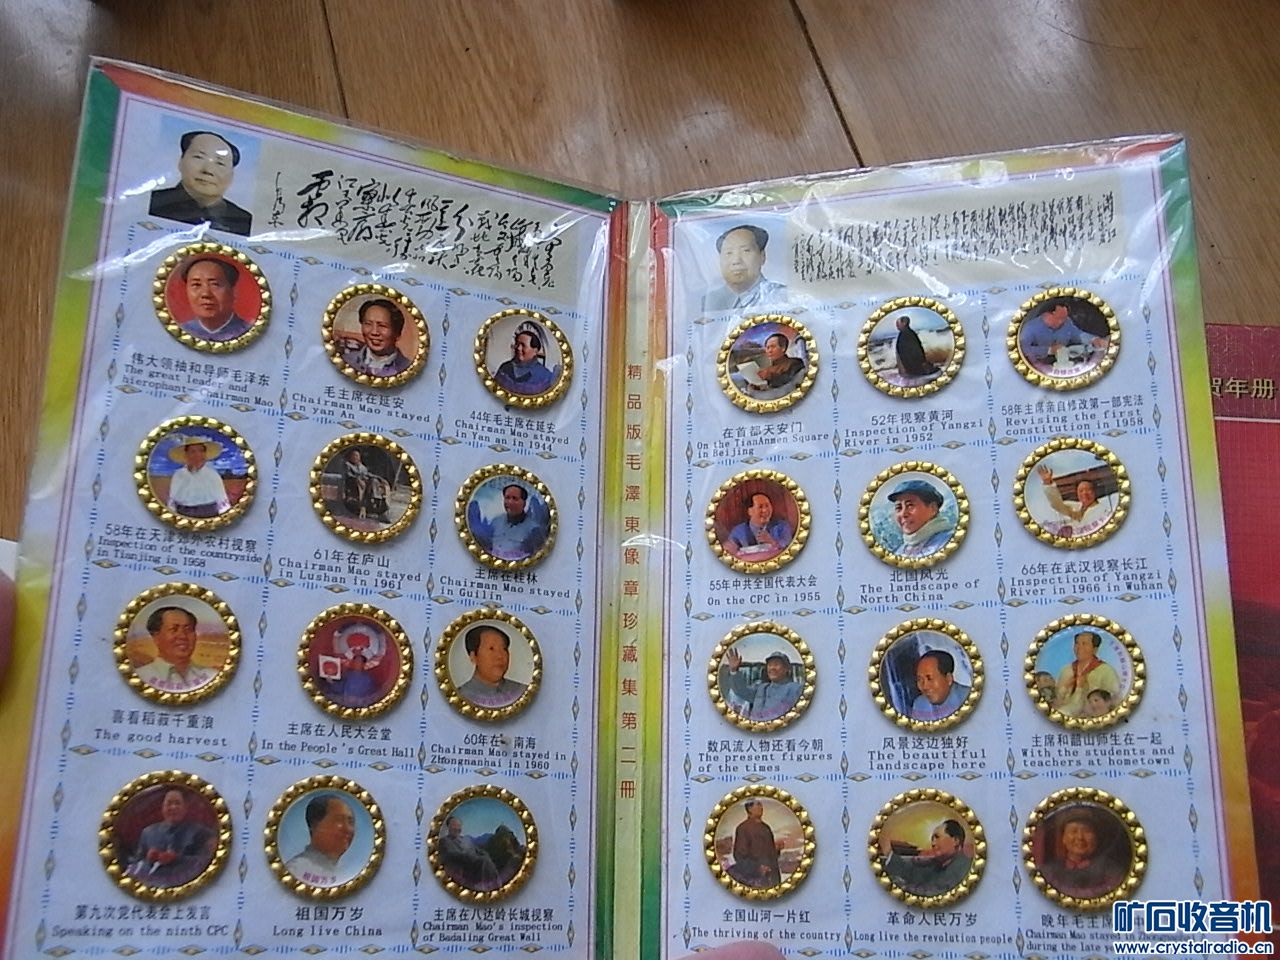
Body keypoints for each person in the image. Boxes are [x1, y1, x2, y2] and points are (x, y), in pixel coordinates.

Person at [148, 130, 253, 235]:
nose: (208, 170)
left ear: (232, 175)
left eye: (220, 163)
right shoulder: (152, 202)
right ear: (181, 162)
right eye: (199, 157)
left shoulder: (244, 221)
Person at [126, 788, 215, 887]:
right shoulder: (148, 832)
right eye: (169, 803)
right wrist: (148, 859)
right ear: (162, 808)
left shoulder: (200, 832)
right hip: (154, 884)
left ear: (185, 808)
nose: (173, 807)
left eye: (177, 803)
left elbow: (208, 861)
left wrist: (178, 859)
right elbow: (136, 863)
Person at [1040, 808, 1127, 899]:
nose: (1080, 837)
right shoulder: (1048, 873)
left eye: (1087, 831)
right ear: (1063, 838)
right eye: (1073, 831)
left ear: (1096, 838)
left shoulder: (1113, 872)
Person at [702, 225, 788, 312]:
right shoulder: (711, 301)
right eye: (729, 253)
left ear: (762, 256)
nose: (736, 260)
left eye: (745, 251)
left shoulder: (781, 295)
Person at [879, 818, 973, 897]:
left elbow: (929, 891)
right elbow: (911, 873)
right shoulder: (937, 864)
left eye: (937, 837)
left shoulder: (963, 869)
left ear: (955, 840)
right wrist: (888, 851)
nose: (933, 843)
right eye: (932, 839)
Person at [135, 606, 212, 693]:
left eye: (188, 629)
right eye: (174, 629)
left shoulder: (210, 675)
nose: (183, 636)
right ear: (155, 637)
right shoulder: (142, 676)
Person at [285, 793, 357, 887]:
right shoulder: (296, 869)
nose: (348, 829)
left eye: (350, 822)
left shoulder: (346, 872)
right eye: (338, 820)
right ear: (315, 825)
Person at [1018, 300, 1108, 372]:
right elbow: (1022, 349)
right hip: (1038, 366)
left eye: (1064, 318)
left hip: (1064, 364)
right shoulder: (1030, 328)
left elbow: (1077, 334)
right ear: (1046, 315)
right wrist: (1049, 350)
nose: (1062, 322)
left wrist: (1093, 339)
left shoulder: (1066, 322)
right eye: (1058, 318)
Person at [178, 257, 253, 342]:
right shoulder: (182, 330)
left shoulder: (248, 331)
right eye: (196, 285)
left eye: (215, 284)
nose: (205, 294)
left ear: (234, 291)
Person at [719, 648, 802, 722]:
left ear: (786, 669)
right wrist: (734, 671)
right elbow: (741, 691)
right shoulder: (761, 688)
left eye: (776, 664)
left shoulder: (796, 689)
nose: (772, 668)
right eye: (770, 665)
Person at [471, 483, 549, 561]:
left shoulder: (533, 530)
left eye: (515, 498)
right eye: (507, 498)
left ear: (524, 503)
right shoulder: (496, 521)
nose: (510, 502)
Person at [456, 625, 528, 708]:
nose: (500, 656)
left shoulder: (523, 692)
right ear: (473, 657)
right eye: (491, 649)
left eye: (504, 649)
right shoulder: (460, 697)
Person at [340, 298, 413, 377]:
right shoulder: (346, 361)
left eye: (382, 326)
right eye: (368, 324)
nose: (374, 332)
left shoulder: (408, 368)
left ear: (397, 333)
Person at [1054, 632, 1120, 717]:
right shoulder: (1066, 670)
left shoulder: (1106, 671)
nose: (1079, 647)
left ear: (1095, 649)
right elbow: (1056, 698)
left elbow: (1113, 699)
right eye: (1077, 643)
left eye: (1084, 644)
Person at [1036, 466, 1113, 538]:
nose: (1084, 493)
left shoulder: (1104, 512)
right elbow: (1057, 504)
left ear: (1094, 492)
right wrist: (1048, 483)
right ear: (1077, 494)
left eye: (1088, 490)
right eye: (1081, 491)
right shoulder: (1076, 507)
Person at [165, 435, 231, 519]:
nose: (198, 455)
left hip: (208, 513)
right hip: (182, 514)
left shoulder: (212, 475)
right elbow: (172, 501)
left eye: (201, 451)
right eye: (193, 451)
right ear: (186, 455)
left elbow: (223, 502)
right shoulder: (178, 475)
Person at [887, 479, 953, 558]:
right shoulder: (899, 552)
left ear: (933, 509)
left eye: (910, 505)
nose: (903, 514)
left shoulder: (949, 542)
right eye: (899, 508)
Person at [727, 800, 784, 888]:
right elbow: (739, 856)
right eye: (758, 804)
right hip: (754, 878)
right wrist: (757, 868)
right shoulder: (743, 828)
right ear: (749, 808)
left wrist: (776, 849)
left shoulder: (766, 828)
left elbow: (770, 855)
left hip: (772, 876)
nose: (761, 807)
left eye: (761, 805)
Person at [494, 320, 559, 395]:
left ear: (535, 351)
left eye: (523, 345)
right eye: (517, 344)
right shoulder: (504, 369)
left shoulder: (545, 377)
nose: (518, 348)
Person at [726, 492, 793, 560]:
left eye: (767, 506)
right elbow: (730, 551)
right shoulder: (738, 531)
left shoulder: (782, 526)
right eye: (760, 507)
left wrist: (772, 542)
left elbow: (789, 547)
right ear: (750, 511)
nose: (765, 510)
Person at [438, 815, 500, 888]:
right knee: (484, 861)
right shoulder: (445, 841)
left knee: (486, 859)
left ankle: (495, 884)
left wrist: (484, 854)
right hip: (463, 869)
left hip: (475, 865)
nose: (457, 828)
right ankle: (492, 884)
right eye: (454, 825)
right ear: (448, 827)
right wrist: (473, 857)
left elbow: (478, 849)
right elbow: (453, 855)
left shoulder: (466, 839)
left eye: (459, 826)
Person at [909, 649, 970, 722]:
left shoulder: (969, 698)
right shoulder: (919, 705)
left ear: (948, 679)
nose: (925, 686)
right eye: (919, 680)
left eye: (930, 678)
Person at [340, 449, 390, 522]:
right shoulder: (347, 465)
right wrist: (357, 479)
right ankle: (369, 503)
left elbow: (367, 474)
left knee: (374, 481)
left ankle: (378, 502)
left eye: (357, 456)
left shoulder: (362, 466)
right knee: (364, 484)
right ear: (350, 457)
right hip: (353, 483)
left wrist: (380, 478)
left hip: (364, 482)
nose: (355, 457)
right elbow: (348, 475)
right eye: (354, 455)